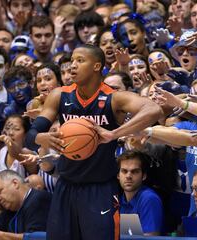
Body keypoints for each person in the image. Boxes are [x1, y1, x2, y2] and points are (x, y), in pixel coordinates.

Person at [25, 44, 162, 240]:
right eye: (72, 61)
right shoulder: (60, 95)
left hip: (100, 189)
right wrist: (41, 137)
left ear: (97, 66)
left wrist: (114, 133)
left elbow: (153, 109)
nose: (72, 66)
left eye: (80, 61)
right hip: (66, 186)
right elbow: (30, 137)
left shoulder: (114, 98)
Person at [0, 170, 52, 239]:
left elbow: (36, 238)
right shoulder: (10, 208)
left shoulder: (40, 199)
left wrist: (0, 235)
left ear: (15, 183)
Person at [118, 150, 163, 236]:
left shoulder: (149, 199)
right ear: (118, 175)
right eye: (124, 171)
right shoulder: (121, 199)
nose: (128, 176)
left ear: (144, 176)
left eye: (134, 171)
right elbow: (129, 235)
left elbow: (151, 237)